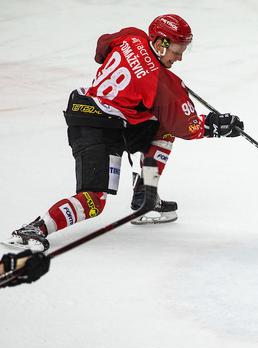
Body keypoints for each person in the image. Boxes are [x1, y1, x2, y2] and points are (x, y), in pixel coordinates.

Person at [5, 14, 244, 252]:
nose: (180, 57)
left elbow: (101, 49)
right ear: (161, 44)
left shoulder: (132, 36)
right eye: (177, 50)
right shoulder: (164, 85)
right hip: (96, 127)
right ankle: (34, 229)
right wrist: (215, 124)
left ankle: (145, 195)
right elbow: (187, 127)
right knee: (94, 200)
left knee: (162, 126)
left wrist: (138, 62)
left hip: (101, 113)